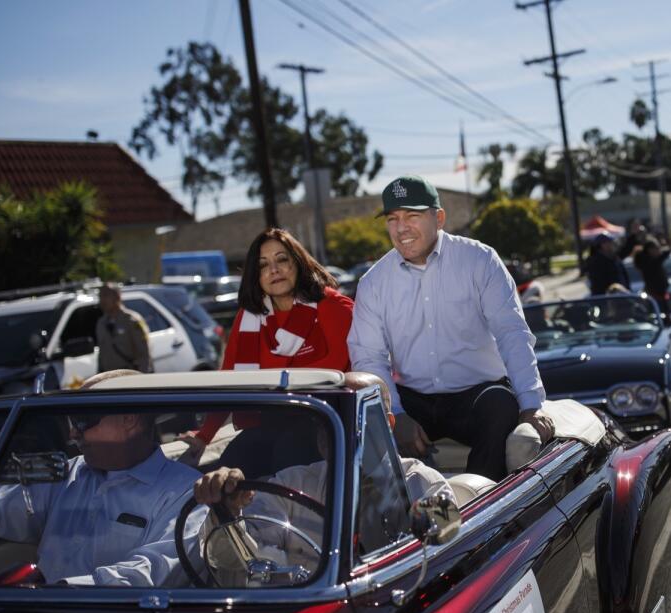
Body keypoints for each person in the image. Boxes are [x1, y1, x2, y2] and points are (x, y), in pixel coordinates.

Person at [348, 175, 554, 482]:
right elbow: (368, 357)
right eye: (393, 219)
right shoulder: (373, 283)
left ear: (439, 217)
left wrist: (531, 405)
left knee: (501, 407)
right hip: (412, 398)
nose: (401, 228)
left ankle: (480, 506)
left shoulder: (479, 260)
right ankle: (400, 521)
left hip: (477, 395)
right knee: (362, 421)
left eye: (413, 216)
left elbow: (512, 332)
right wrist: (397, 416)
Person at [191, 372, 454, 584]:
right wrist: (229, 511)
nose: (334, 432)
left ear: (387, 424)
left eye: (352, 419)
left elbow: (445, 560)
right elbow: (241, 566)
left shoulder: (423, 483)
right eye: (327, 419)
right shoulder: (289, 484)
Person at [0, 370, 204, 586]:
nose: (73, 433)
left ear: (129, 420)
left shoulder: (187, 493)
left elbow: (147, 574)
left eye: (84, 419)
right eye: (72, 421)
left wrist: (59, 592)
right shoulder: (67, 473)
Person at [181, 229, 354, 460]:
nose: (274, 270)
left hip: (326, 421)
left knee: (287, 452)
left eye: (282, 259)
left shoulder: (333, 306)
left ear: (299, 263)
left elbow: (335, 370)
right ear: (256, 275)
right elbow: (229, 378)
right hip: (270, 421)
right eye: (263, 265)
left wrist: (273, 387)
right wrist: (204, 436)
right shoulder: (249, 318)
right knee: (231, 462)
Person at [95, 284, 152, 373]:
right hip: (109, 377)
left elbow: (144, 354)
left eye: (105, 296)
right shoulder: (101, 323)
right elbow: (102, 354)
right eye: (100, 296)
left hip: (128, 375)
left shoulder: (132, 320)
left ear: (117, 297)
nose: (102, 300)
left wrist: (142, 378)